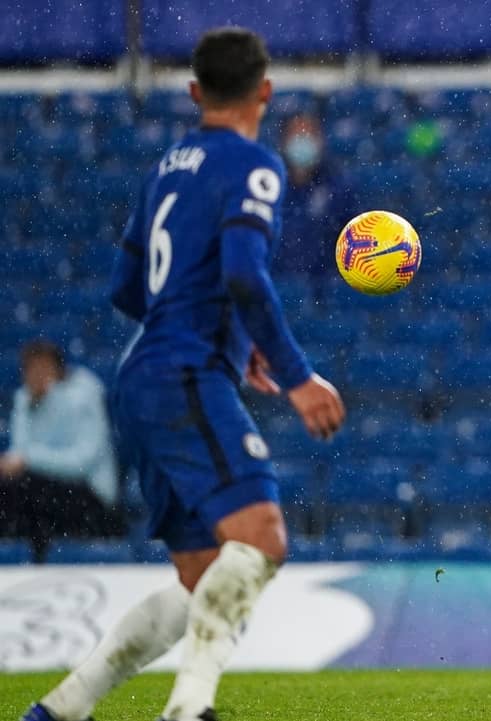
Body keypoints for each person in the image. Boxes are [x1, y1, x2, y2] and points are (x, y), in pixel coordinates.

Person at [21, 27, 345, 721]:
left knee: (204, 580)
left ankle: (60, 709)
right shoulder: (256, 167)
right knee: (261, 537)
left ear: (195, 92)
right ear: (265, 90)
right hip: (185, 372)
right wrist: (296, 375)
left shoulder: (167, 167)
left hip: (141, 370)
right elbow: (244, 277)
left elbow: (127, 288)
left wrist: (226, 341)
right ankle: (188, 709)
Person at [0, 339, 121, 562]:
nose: (37, 376)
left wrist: (27, 460)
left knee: (27, 493)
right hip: (42, 495)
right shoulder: (24, 398)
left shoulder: (84, 395)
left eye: (43, 368)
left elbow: (82, 462)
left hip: (91, 500)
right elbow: (20, 452)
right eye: (31, 369)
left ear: (59, 369)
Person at [277, 112, 357, 283]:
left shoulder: (338, 186)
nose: (302, 139)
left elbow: (353, 241)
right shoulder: (271, 185)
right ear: (284, 141)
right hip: (278, 286)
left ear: (320, 140)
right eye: (297, 134)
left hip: (326, 287)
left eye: (308, 133)